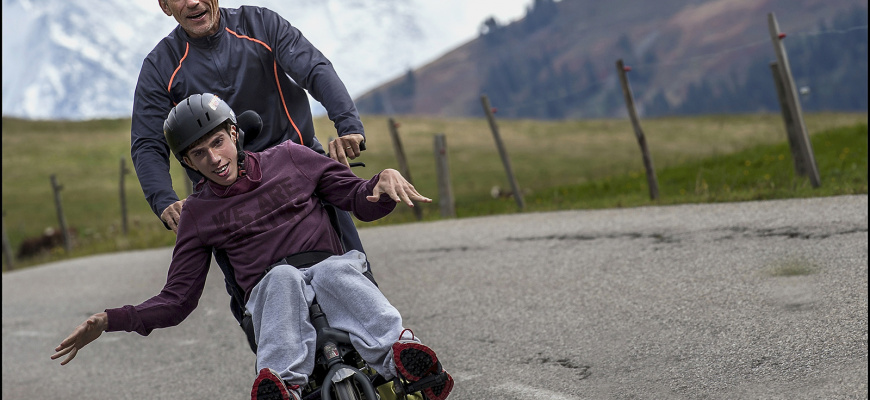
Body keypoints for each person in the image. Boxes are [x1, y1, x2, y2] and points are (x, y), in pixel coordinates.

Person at [52, 94, 453, 400]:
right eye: (198, 153)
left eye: (217, 142)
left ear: (233, 134)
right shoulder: (197, 213)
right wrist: (108, 319)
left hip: (331, 275)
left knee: (335, 269)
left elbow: (358, 200)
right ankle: (280, 386)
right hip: (272, 295)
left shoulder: (292, 158)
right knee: (281, 277)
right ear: (188, 162)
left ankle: (406, 356)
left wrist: (382, 181)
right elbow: (177, 300)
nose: (214, 159)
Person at [133, 0, 374, 340]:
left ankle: (391, 359)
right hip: (225, 196)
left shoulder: (261, 24)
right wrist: (163, 199)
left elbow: (314, 69)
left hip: (298, 172)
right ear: (164, 5)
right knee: (256, 313)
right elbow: (147, 141)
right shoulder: (161, 66)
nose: (192, 2)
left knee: (356, 274)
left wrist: (347, 123)